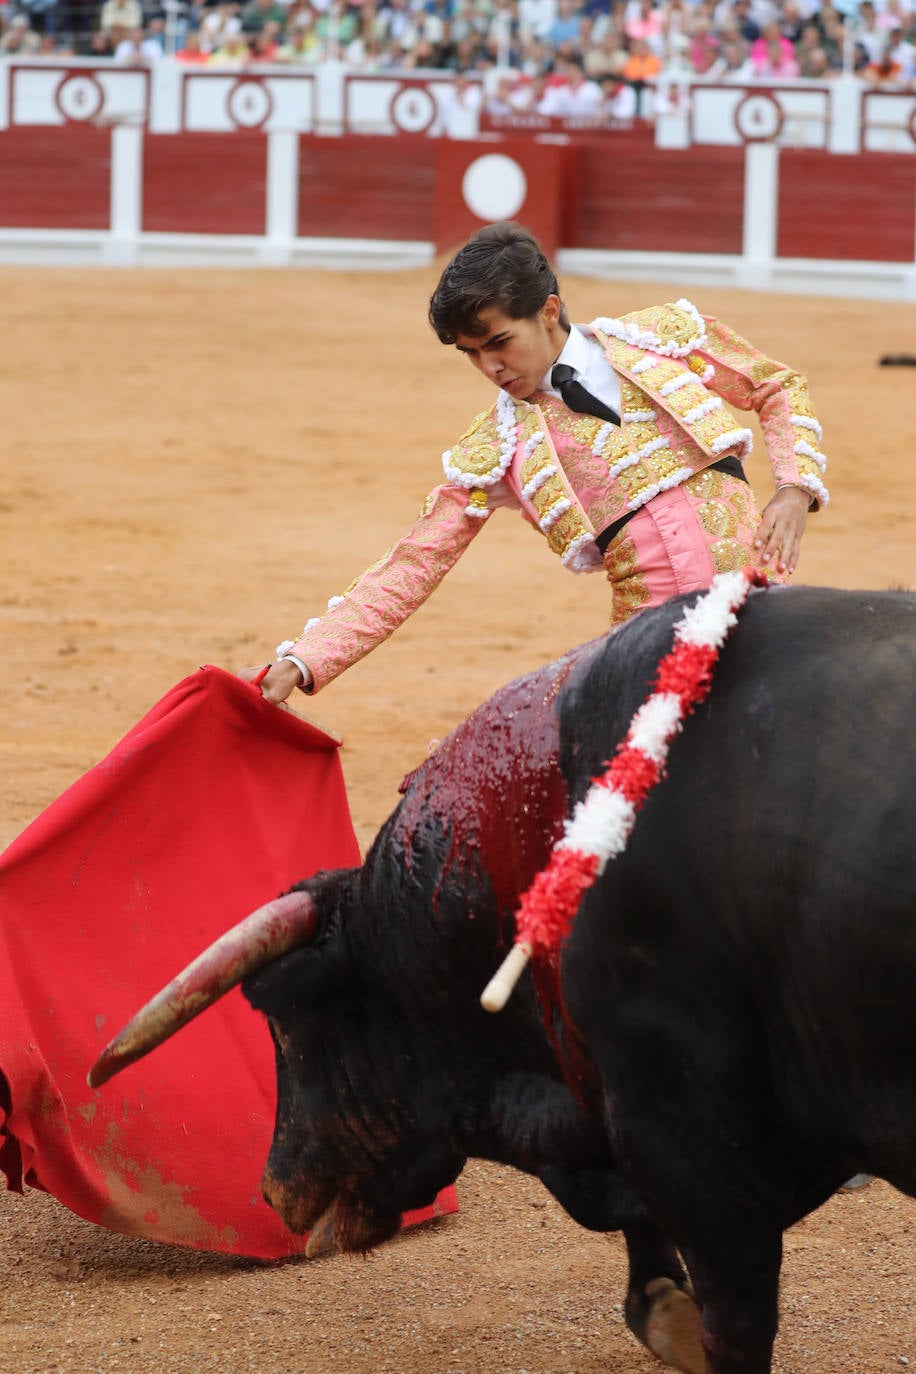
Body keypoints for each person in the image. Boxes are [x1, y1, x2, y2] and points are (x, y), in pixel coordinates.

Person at [245, 223, 828, 706]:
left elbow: (775, 384)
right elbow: (414, 562)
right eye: (470, 354)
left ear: (548, 310)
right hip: (650, 654)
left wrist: (794, 488)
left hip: (763, 614)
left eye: (499, 342)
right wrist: (305, 658)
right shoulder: (496, 448)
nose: (489, 367)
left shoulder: (658, 339)